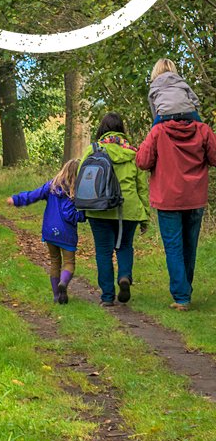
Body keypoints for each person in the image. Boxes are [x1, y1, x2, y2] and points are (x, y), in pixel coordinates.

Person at [136, 107, 216, 310]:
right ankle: (184, 290)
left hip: (168, 198)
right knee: (190, 246)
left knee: (173, 247)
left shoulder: (159, 131)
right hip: (195, 197)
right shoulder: (203, 130)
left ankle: (182, 296)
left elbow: (143, 162)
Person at [81, 113, 150, 307]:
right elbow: (142, 187)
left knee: (103, 252)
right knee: (125, 246)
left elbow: (81, 179)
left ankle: (107, 297)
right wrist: (145, 215)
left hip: (99, 208)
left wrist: (80, 207)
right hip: (128, 209)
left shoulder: (93, 150)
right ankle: (125, 277)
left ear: (102, 129)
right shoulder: (133, 153)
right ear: (122, 130)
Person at [7, 159, 85, 305]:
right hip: (66, 234)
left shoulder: (51, 186)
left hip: (49, 232)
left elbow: (33, 195)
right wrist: (83, 215)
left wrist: (16, 199)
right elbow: (70, 215)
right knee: (69, 262)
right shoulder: (76, 192)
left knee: (55, 261)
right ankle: (63, 282)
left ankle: (56, 296)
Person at [149, 58, 202, 125]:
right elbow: (195, 99)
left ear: (155, 71)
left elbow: (153, 108)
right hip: (187, 112)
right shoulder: (180, 81)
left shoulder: (154, 86)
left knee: (154, 133)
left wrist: (157, 119)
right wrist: (194, 111)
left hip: (165, 115)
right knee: (202, 129)